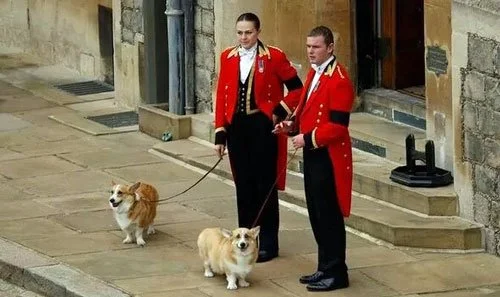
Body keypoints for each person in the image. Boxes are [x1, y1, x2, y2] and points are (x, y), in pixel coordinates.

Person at [213, 12, 303, 263]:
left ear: (258, 32)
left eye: (249, 32)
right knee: (244, 184)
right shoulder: (227, 57)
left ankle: (269, 243)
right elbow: (222, 96)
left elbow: (297, 88)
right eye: (240, 32)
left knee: (265, 185)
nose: (244, 37)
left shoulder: (274, 56)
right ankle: (244, 240)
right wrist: (220, 132)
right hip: (237, 128)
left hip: (263, 127)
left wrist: (280, 109)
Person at [273, 25, 354, 291]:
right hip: (313, 153)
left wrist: (307, 138)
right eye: (308, 47)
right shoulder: (313, 74)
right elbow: (304, 110)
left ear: (330, 48)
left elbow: (339, 126)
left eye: (316, 47)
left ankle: (336, 272)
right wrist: (291, 126)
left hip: (329, 157)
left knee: (329, 214)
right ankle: (324, 267)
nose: (310, 52)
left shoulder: (339, 79)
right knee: (316, 213)